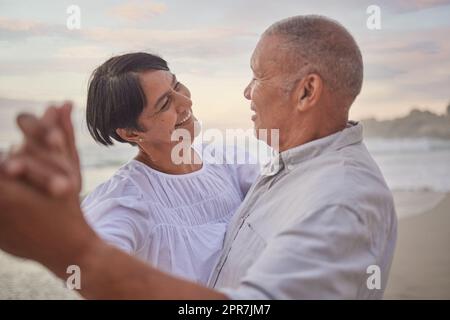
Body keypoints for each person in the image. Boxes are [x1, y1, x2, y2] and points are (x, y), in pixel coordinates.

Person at [0, 15, 397, 299]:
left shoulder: (336, 199)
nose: (186, 103)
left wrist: (77, 250)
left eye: (257, 77)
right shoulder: (124, 201)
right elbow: (99, 264)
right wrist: (73, 239)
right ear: (131, 133)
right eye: (164, 104)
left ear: (307, 92)